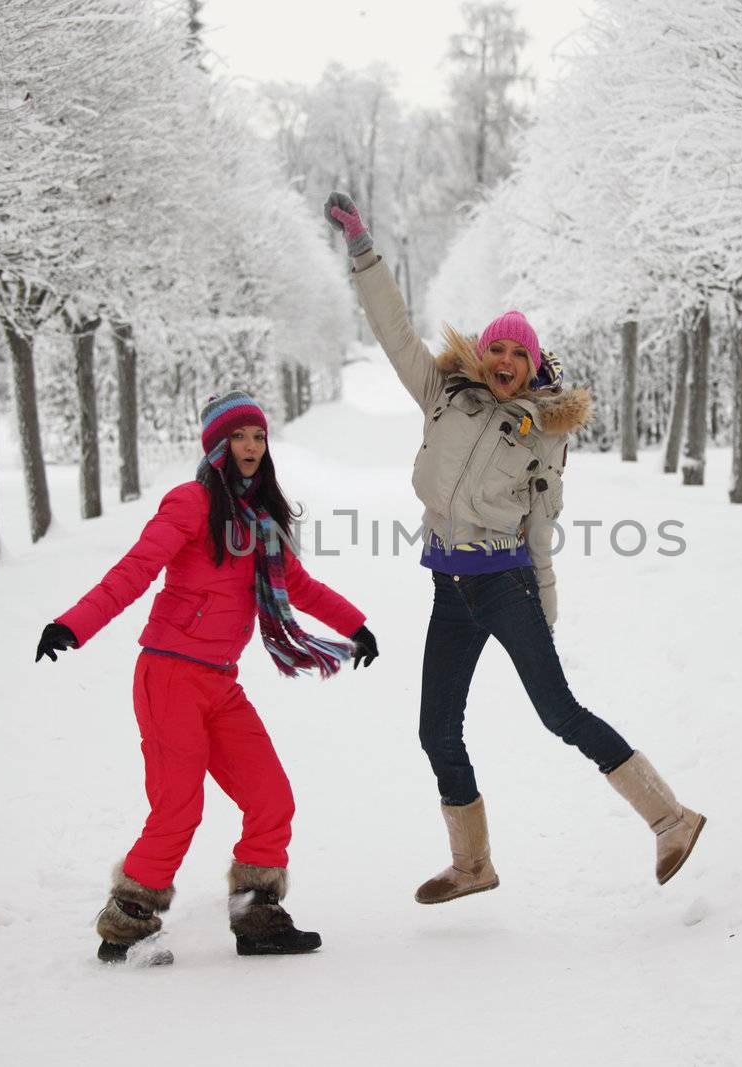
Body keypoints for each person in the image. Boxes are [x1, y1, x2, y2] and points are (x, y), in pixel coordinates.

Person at [323, 192, 704, 905]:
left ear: (531, 366)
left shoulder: (543, 434)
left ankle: (671, 817)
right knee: (437, 729)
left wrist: (545, 606)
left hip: (506, 585)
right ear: (480, 353)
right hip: (451, 589)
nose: (503, 359)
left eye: (516, 353)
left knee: (559, 713)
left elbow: (541, 526)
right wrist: (364, 253)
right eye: (494, 347)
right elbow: (395, 330)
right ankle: (473, 864)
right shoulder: (444, 393)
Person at [35, 390, 380, 964]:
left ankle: (257, 917)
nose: (250, 447)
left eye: (258, 437)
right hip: (169, 676)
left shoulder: (262, 521)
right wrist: (74, 625)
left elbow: (299, 586)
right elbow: (136, 569)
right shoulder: (191, 503)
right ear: (218, 446)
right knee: (178, 809)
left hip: (221, 682)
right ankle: (127, 925)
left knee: (271, 796)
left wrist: (356, 626)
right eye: (239, 437)